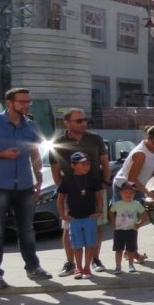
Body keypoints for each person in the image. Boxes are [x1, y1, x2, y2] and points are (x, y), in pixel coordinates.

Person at [0, 88, 53, 289]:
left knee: (27, 230)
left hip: (24, 184)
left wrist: (39, 177)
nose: (26, 105)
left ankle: (33, 267)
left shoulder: (31, 125)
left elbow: (35, 153)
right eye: (22, 101)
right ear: (10, 102)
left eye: (28, 102)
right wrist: (3, 155)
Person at [50, 107, 111, 276]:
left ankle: (95, 260)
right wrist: (64, 190)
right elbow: (55, 170)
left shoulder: (95, 139)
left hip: (96, 189)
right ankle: (70, 264)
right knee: (68, 228)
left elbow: (105, 162)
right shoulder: (57, 143)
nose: (83, 123)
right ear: (67, 123)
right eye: (79, 120)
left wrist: (105, 182)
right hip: (72, 192)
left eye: (85, 120)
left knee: (97, 226)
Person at [56, 152, 103, 280]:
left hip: (89, 217)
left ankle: (87, 267)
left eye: (88, 164)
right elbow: (60, 200)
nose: (86, 166)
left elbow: (99, 197)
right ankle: (78, 267)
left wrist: (99, 211)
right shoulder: (67, 180)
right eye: (83, 164)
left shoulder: (92, 179)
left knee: (89, 243)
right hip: (74, 218)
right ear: (73, 165)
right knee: (76, 245)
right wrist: (63, 215)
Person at [114, 125, 154, 201]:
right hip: (124, 187)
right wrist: (148, 193)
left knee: (138, 210)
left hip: (138, 186)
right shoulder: (140, 154)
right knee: (123, 211)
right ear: (147, 139)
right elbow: (132, 179)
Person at [110, 182, 148, 274]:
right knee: (118, 250)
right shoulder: (117, 204)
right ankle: (118, 266)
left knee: (131, 250)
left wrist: (139, 224)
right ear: (120, 193)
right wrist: (113, 222)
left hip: (131, 231)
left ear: (134, 194)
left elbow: (144, 215)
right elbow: (110, 212)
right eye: (126, 192)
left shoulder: (136, 204)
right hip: (119, 231)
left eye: (131, 193)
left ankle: (131, 265)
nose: (128, 195)